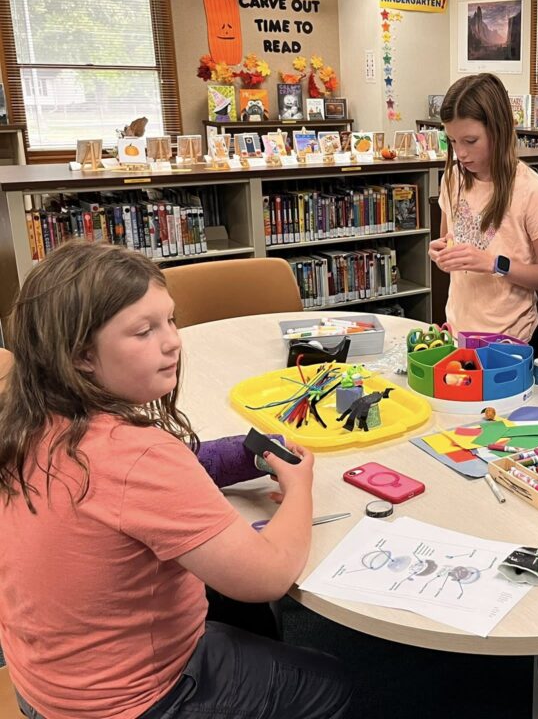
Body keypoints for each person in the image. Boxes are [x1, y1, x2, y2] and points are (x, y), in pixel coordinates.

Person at [0, 241, 352, 719]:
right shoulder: (137, 455)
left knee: (226, 602)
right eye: (144, 331)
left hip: (44, 683)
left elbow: (143, 484)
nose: (172, 342)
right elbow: (268, 576)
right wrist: (300, 488)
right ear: (81, 355)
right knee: (333, 684)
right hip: (132, 702)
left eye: (170, 320)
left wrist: (242, 455)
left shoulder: (27, 421)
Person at [428, 73, 538, 342]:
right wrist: (441, 251)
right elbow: (448, 241)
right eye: (452, 141)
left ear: (498, 130)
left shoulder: (529, 188)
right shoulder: (452, 178)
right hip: (458, 332)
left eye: (470, 141)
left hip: (510, 340)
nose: (461, 153)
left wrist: (493, 263)